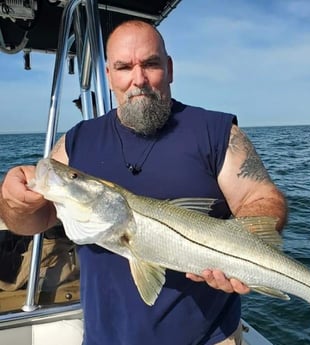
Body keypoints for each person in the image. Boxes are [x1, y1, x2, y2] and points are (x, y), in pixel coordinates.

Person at [0, 20, 287, 345]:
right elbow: (33, 221)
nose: (138, 79)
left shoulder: (215, 132)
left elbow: (262, 198)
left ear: (169, 68)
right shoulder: (76, 142)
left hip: (210, 339)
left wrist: (239, 251)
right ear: (109, 76)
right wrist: (13, 202)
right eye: (124, 67)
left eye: (150, 64)